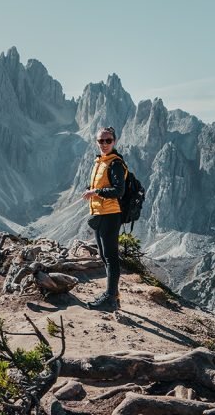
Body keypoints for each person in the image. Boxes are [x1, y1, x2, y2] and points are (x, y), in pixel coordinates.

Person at [82, 126, 126, 311]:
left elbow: (119, 190)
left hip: (111, 214)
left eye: (108, 140)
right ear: (96, 142)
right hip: (100, 214)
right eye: (101, 140)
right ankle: (112, 295)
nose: (105, 144)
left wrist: (95, 192)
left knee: (110, 257)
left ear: (114, 141)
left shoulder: (115, 163)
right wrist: (92, 190)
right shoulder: (100, 162)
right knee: (103, 256)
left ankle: (110, 298)